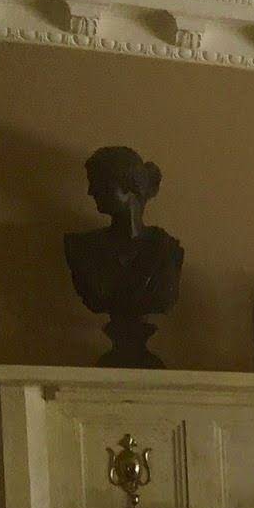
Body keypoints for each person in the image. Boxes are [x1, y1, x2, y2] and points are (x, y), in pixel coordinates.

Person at [64, 146, 184, 368]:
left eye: (99, 183)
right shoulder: (82, 248)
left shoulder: (167, 250)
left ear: (128, 185)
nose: (90, 191)